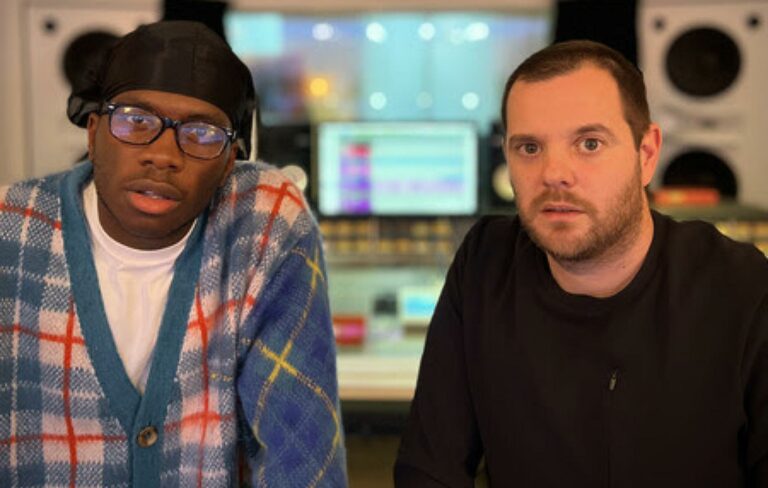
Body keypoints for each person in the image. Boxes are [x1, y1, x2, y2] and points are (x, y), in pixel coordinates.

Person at [394, 40, 768, 487]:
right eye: (529, 148)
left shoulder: (742, 289)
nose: (554, 173)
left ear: (646, 154)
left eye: (589, 143)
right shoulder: (484, 265)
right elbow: (429, 469)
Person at [0, 20, 346, 487]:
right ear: (94, 132)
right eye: (136, 121)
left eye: (202, 134)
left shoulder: (259, 228)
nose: (164, 155)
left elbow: (302, 451)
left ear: (230, 162)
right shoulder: (13, 232)